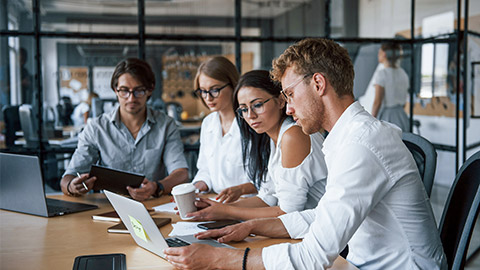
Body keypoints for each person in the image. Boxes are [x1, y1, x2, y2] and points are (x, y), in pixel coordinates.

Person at [164, 38, 447, 269]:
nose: (287, 108)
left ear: (319, 84)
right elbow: (321, 216)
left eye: (290, 94)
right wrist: (250, 226)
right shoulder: (347, 138)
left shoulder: (361, 145)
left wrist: (220, 258)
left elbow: (313, 256)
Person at [185, 70, 327, 221]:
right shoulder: (271, 139)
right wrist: (214, 208)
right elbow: (268, 198)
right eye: (244, 109)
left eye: (257, 105)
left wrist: (227, 212)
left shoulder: (293, 135)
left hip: (327, 234)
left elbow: (288, 212)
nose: (250, 116)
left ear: (280, 101)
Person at [60, 58, 189, 201]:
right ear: (115, 90)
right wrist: (72, 186)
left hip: (152, 205)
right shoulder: (97, 128)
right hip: (109, 207)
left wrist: (156, 187)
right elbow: (68, 178)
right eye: (124, 91)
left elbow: (181, 173)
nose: (131, 98)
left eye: (139, 91)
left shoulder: (166, 125)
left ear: (150, 89)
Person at [191, 56, 256, 203]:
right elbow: (205, 169)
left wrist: (240, 190)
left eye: (214, 90)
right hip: (217, 201)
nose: (208, 97)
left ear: (233, 85)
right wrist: (196, 187)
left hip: (249, 204)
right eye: (203, 91)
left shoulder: (252, 121)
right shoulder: (208, 123)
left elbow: (266, 180)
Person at [371, 43, 410, 132]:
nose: (378, 55)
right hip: (402, 116)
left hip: (388, 117)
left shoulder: (382, 74)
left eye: (379, 52)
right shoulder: (403, 73)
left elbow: (377, 102)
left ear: (384, 54)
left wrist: (371, 121)